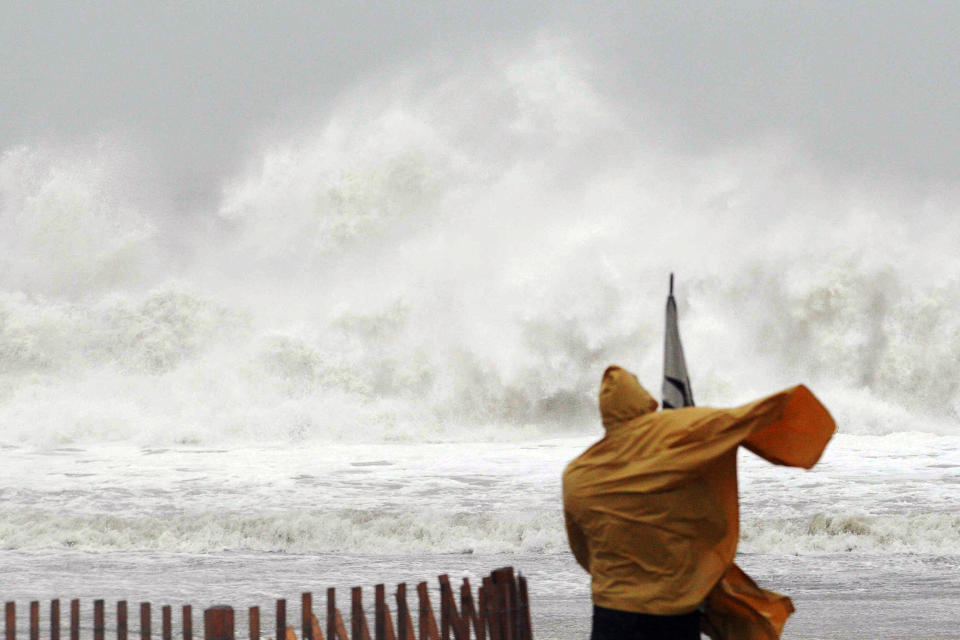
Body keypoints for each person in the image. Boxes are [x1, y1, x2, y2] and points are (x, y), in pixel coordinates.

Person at [563, 365, 835, 640]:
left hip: (611, 613)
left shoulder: (578, 474)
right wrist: (793, 412)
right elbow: (731, 422)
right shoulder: (679, 436)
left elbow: (583, 552)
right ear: (644, 400)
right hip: (672, 611)